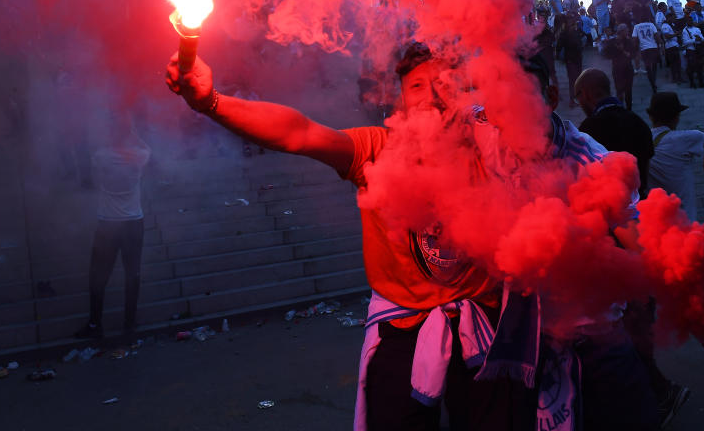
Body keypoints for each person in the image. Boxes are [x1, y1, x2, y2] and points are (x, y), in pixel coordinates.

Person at [166, 43, 536, 430]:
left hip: (483, 321)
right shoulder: (378, 149)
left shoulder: (491, 151)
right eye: (417, 87)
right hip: (403, 326)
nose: (433, 96)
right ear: (401, 102)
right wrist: (211, 101)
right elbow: (300, 134)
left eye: (445, 83)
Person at [74, 112, 151, 341]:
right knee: (132, 274)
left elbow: (95, 168)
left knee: (98, 275)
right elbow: (147, 148)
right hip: (134, 223)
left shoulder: (102, 156)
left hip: (108, 223)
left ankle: (95, 323)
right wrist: (132, 133)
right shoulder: (139, 155)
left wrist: (113, 136)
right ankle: (129, 324)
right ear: (127, 135)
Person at [644, 92, 704, 222]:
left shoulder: (641, 141)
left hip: (654, 226)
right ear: (677, 117)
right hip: (683, 224)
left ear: (650, 116)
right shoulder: (685, 138)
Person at [573, 68, 655, 198]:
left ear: (585, 94)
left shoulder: (588, 129)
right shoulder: (639, 122)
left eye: (578, 98)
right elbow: (645, 169)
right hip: (638, 207)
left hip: (608, 209)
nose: (580, 104)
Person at [601, 23, 638, 110]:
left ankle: (629, 109)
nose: (628, 31)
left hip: (628, 69)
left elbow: (632, 55)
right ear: (621, 32)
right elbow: (605, 54)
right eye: (626, 30)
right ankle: (620, 109)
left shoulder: (628, 41)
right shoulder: (612, 42)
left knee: (628, 91)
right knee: (619, 90)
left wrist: (622, 50)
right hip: (617, 69)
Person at [632, 10, 662, 94]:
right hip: (653, 48)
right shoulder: (651, 25)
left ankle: (653, 85)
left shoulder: (636, 26)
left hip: (644, 49)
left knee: (648, 68)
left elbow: (634, 39)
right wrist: (661, 46)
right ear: (648, 19)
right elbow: (657, 36)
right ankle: (654, 81)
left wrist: (635, 49)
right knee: (654, 67)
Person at [682, 18, 704, 89]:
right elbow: (685, 42)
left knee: (700, 66)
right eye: (688, 21)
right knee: (691, 67)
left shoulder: (697, 29)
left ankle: (701, 82)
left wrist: (700, 39)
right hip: (690, 50)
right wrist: (694, 40)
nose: (690, 22)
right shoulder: (684, 31)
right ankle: (692, 83)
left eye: (691, 20)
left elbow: (703, 38)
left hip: (698, 49)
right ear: (686, 22)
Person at [660, 13, 683, 84]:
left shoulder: (671, 25)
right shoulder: (665, 26)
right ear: (669, 18)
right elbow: (667, 36)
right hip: (670, 46)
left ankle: (679, 78)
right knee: (673, 64)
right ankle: (675, 79)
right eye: (673, 18)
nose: (674, 20)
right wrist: (676, 34)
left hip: (675, 45)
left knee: (678, 63)